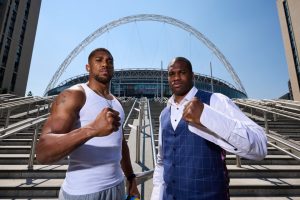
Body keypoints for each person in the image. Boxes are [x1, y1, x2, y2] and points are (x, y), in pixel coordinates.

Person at [151, 57, 267, 200]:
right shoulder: (164, 114)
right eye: (171, 74)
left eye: (182, 72)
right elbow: (162, 160)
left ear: (192, 76)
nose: (176, 77)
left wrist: (207, 116)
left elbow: (260, 146)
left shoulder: (215, 100)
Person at [36, 48, 140, 200]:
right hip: (83, 192)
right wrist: (92, 129)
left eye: (109, 61)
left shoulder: (116, 103)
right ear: (88, 67)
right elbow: (43, 152)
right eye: (99, 60)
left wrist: (131, 178)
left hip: (117, 186)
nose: (105, 64)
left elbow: (121, 143)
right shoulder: (74, 95)